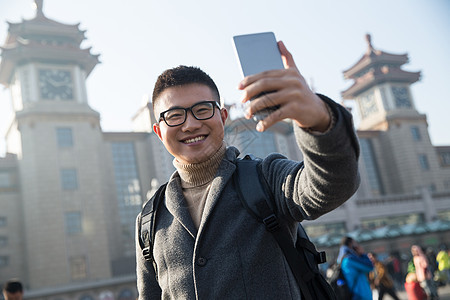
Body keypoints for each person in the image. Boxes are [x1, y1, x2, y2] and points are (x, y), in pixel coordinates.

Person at [135, 41, 360, 299]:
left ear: (222, 116)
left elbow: (332, 185)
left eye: (202, 110)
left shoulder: (265, 178)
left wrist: (319, 121)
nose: (190, 125)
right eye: (174, 115)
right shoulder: (149, 219)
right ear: (158, 132)